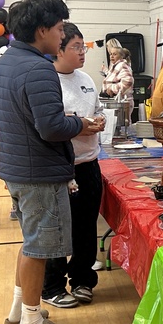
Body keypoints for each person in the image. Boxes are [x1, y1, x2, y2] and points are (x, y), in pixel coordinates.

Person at [0, 0, 104, 324]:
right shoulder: (38, 67)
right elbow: (52, 127)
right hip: (38, 171)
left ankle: (18, 309)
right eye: (57, 29)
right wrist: (81, 124)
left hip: (18, 167)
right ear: (41, 30)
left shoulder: (5, 63)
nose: (60, 35)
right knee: (40, 249)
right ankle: (32, 321)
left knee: (30, 244)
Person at [42, 23, 105, 308]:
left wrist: (100, 121)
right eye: (76, 47)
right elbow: (49, 125)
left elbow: (98, 109)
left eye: (84, 46)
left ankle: (82, 280)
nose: (82, 53)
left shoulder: (86, 79)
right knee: (56, 230)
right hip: (60, 169)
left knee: (85, 227)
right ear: (59, 49)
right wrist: (77, 126)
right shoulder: (46, 81)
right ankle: (52, 285)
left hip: (89, 164)